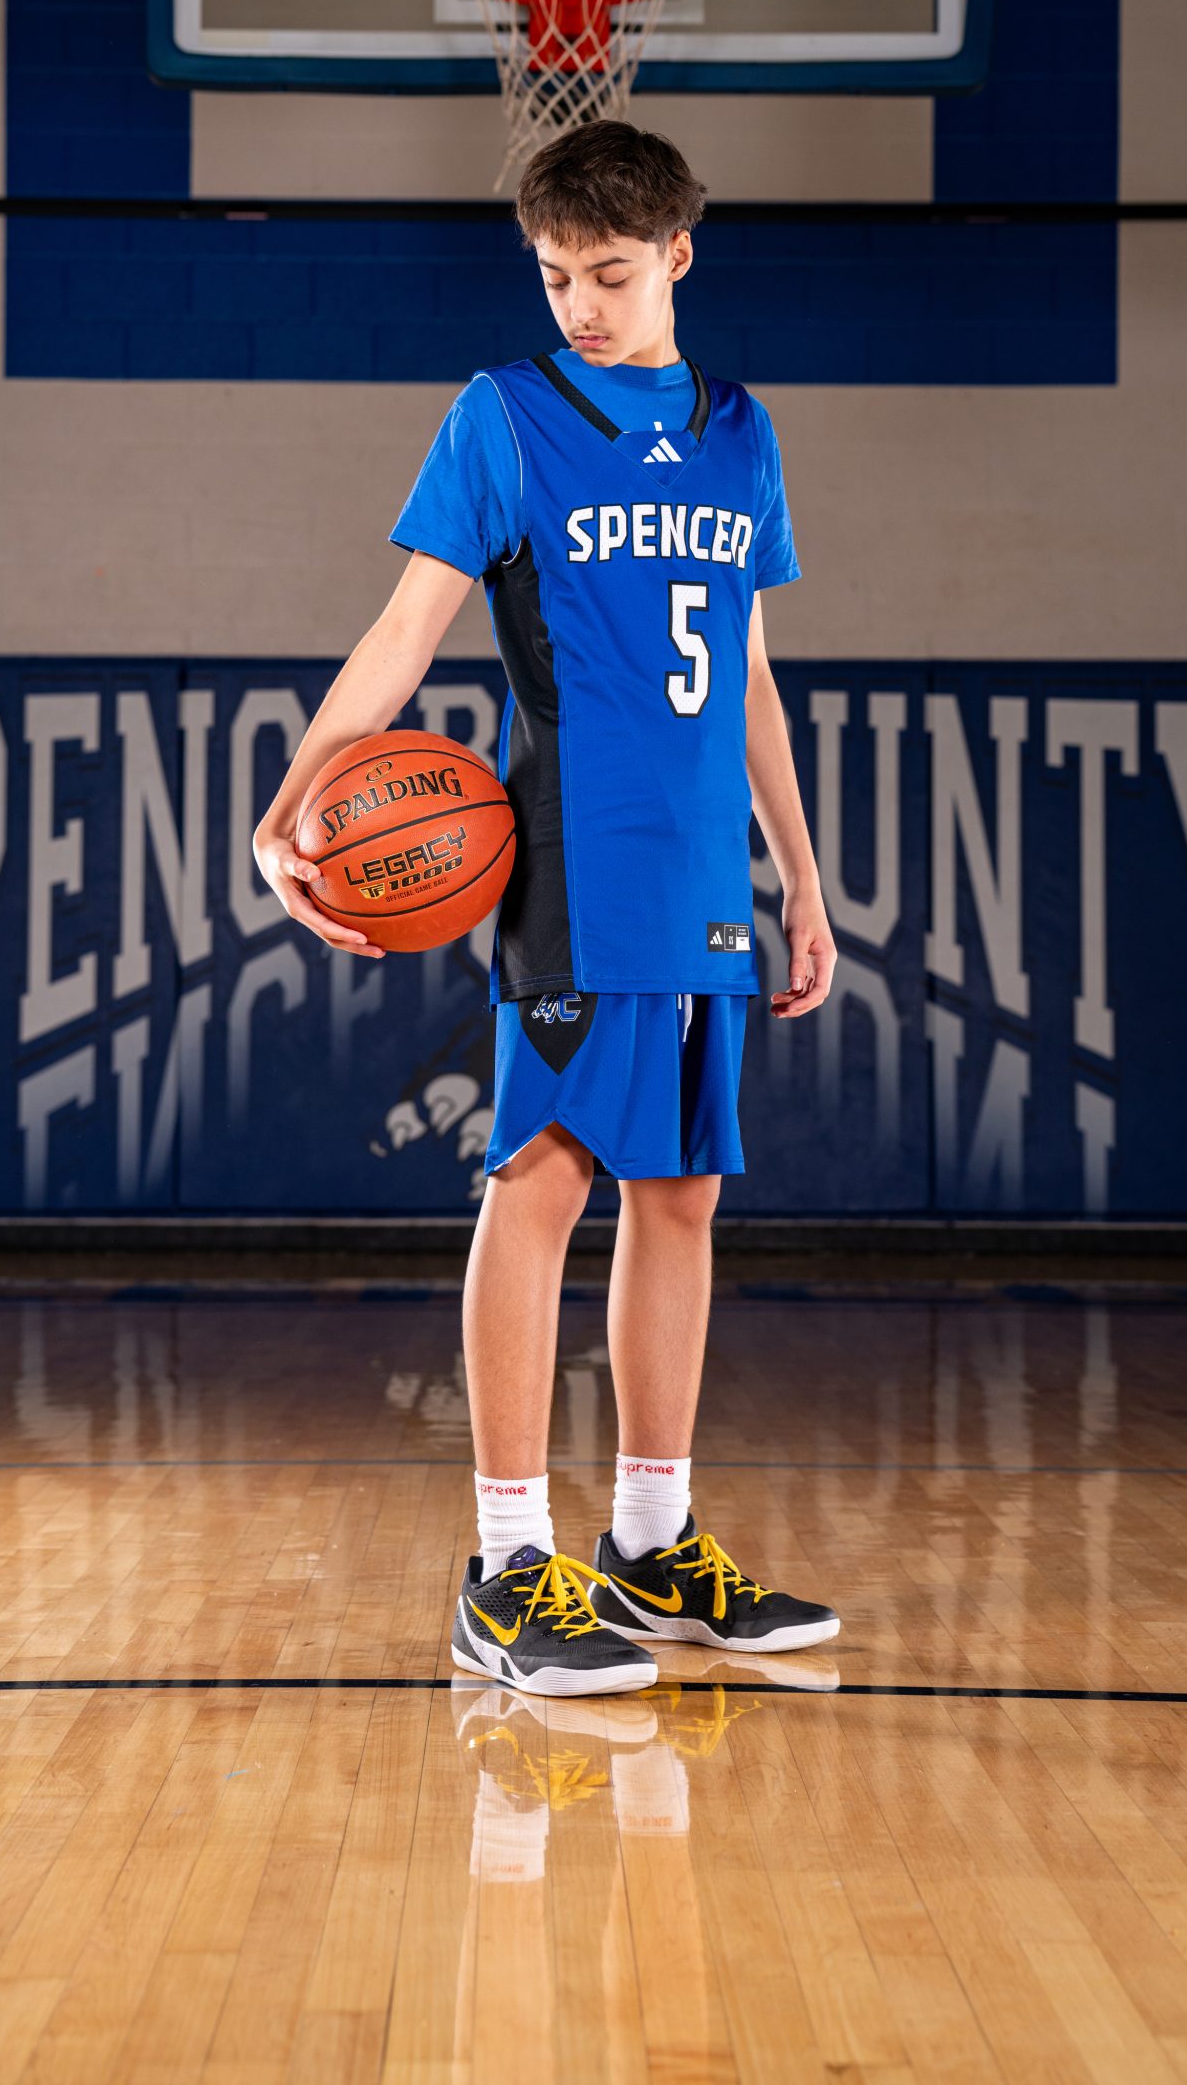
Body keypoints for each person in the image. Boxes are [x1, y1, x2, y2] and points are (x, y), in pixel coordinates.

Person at [255, 120, 839, 1697]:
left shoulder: (740, 431)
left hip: (708, 875)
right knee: (541, 1178)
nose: (579, 303)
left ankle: (650, 1546)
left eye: (609, 273)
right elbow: (402, 631)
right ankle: (507, 1565)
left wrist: (799, 876)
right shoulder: (505, 414)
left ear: (677, 257)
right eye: (554, 274)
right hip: (576, 868)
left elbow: (753, 675)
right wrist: (287, 811)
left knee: (682, 1195)